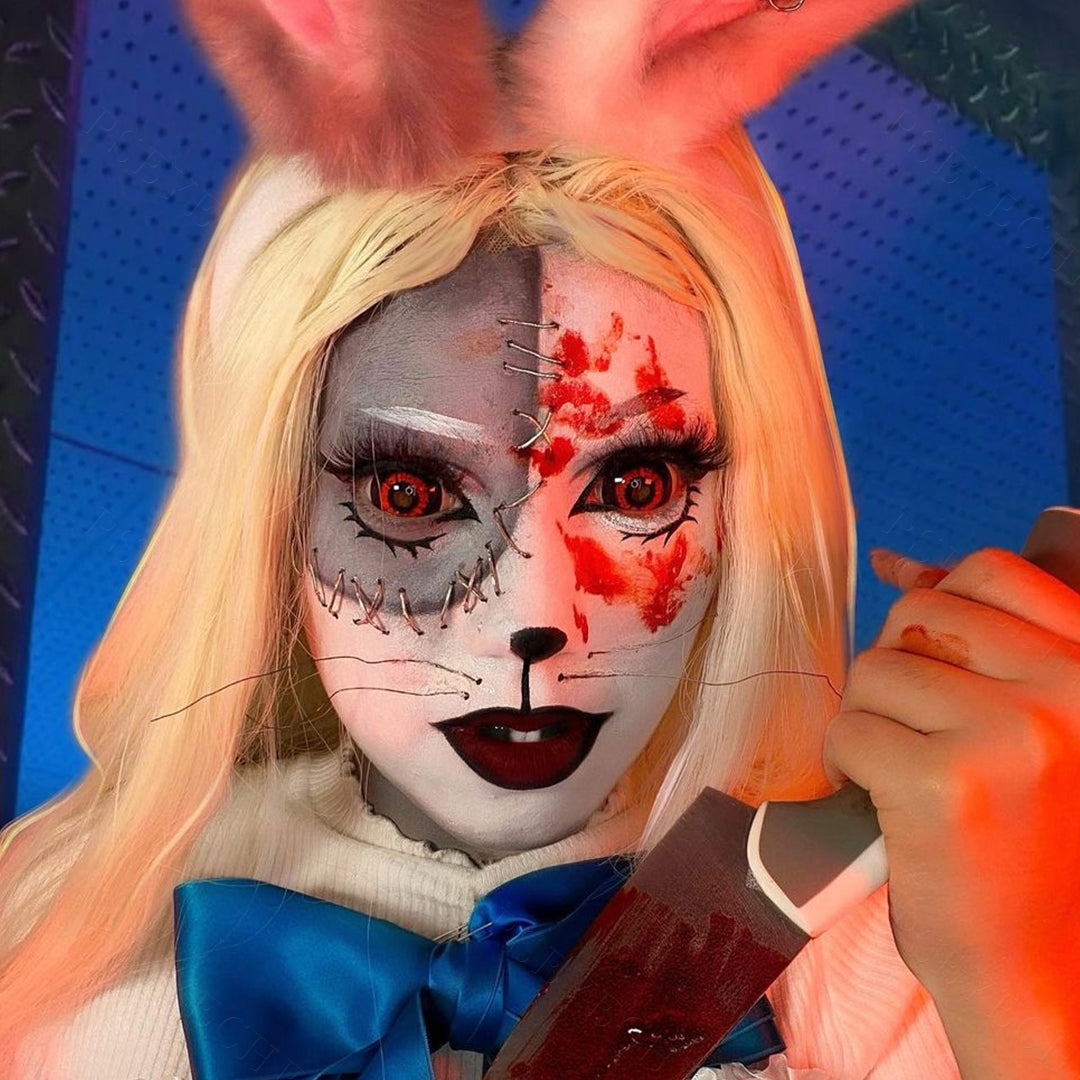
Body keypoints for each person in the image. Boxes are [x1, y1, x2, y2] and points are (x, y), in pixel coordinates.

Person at [2, 2, 1079, 1078]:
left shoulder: (902, 964)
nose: (533, 618)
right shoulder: (46, 935)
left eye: (638, 486)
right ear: (275, 514)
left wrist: (1015, 1009)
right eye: (411, 494)